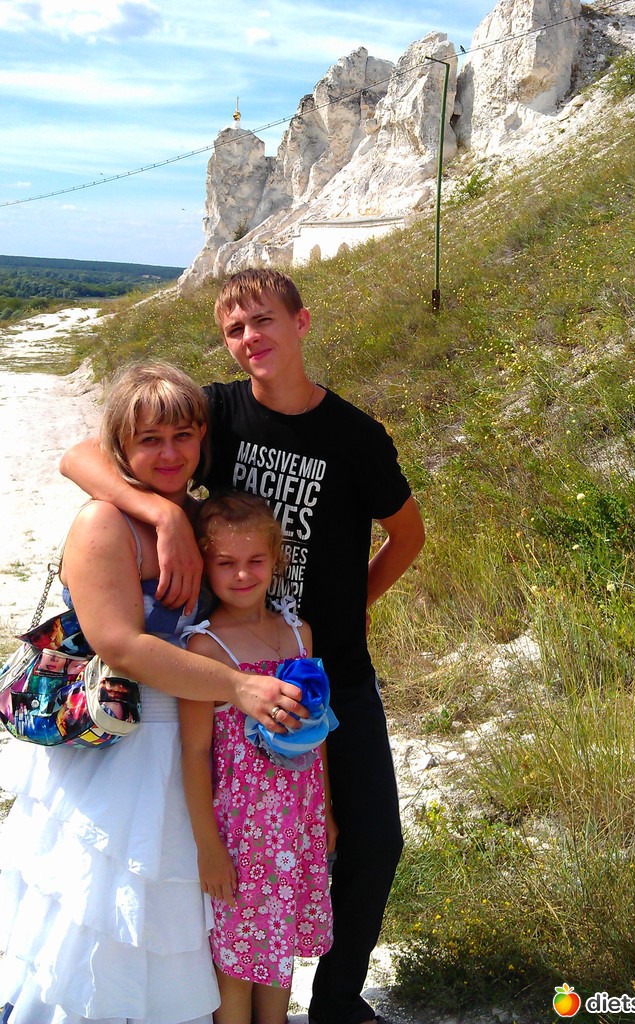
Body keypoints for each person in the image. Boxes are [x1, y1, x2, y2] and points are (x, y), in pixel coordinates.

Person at [61, 269, 426, 1024]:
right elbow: (84, 456)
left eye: (264, 321)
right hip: (225, 673)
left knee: (373, 839)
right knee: (227, 847)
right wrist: (163, 516)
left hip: (324, 669)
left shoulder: (356, 437)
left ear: (301, 323)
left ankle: (336, 1002)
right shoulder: (218, 412)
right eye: (235, 329)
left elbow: (408, 535)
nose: (251, 338)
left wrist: (346, 611)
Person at [0, 361, 308, 1024]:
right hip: (122, 751)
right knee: (112, 917)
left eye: (182, 436)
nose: (169, 453)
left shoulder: (200, 517)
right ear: (122, 446)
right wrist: (237, 686)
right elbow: (121, 644)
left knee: (188, 921)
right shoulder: (104, 524)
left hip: (198, 749)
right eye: (149, 440)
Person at [179, 490, 337, 1024]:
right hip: (240, 831)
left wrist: (325, 811)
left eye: (255, 560)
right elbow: (195, 752)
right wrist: (208, 847)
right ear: (206, 566)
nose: (242, 574)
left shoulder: (298, 634)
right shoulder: (205, 650)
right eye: (226, 563)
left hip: (296, 821)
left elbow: (315, 734)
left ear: (276, 560)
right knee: (238, 953)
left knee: (280, 943)